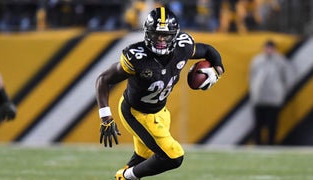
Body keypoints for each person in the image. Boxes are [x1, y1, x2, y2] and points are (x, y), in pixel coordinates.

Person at [95, 7, 225, 180]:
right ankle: (125, 176)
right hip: (135, 113)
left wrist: (218, 70)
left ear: (175, 35)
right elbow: (103, 79)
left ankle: (125, 177)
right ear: (147, 33)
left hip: (160, 112)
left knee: (145, 157)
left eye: (166, 35)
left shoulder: (183, 48)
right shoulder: (137, 57)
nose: (161, 40)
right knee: (174, 156)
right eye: (156, 34)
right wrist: (106, 118)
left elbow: (209, 51)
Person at [249, 40, 291, 145]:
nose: (269, 50)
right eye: (267, 47)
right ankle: (258, 143)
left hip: (274, 98)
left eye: (271, 48)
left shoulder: (280, 61)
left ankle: (271, 143)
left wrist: (281, 91)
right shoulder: (257, 60)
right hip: (259, 97)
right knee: (258, 123)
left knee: (272, 123)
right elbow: (251, 77)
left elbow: (287, 78)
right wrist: (254, 91)